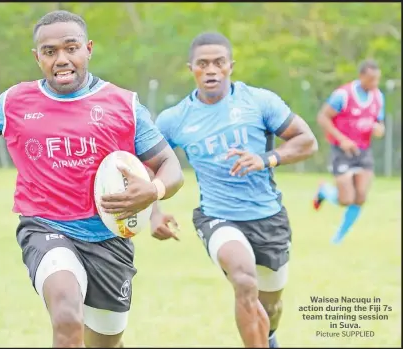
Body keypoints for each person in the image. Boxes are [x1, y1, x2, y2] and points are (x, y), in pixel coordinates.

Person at [0, 10, 184, 348]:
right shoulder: (16, 101)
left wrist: (154, 190)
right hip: (45, 228)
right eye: (50, 51)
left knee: (106, 342)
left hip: (109, 237)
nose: (62, 59)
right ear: (37, 57)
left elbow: (169, 165)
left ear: (88, 49)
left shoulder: (123, 104)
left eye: (71, 48)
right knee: (67, 317)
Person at [150, 32, 318, 348]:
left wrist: (267, 159)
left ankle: (268, 336)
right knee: (243, 279)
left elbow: (307, 141)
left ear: (230, 66)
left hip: (269, 218)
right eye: (203, 64)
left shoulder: (260, 101)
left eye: (218, 62)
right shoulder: (174, 119)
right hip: (217, 217)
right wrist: (154, 211)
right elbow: (149, 166)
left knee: (270, 309)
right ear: (191, 68)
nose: (211, 70)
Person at [313, 59, 385, 244]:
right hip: (341, 151)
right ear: (361, 76)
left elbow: (380, 123)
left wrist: (379, 129)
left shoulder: (378, 96)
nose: (374, 83)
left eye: (377, 79)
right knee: (346, 199)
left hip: (363, 151)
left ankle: (338, 238)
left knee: (360, 197)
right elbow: (323, 117)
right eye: (371, 79)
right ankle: (324, 191)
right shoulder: (343, 95)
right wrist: (342, 139)